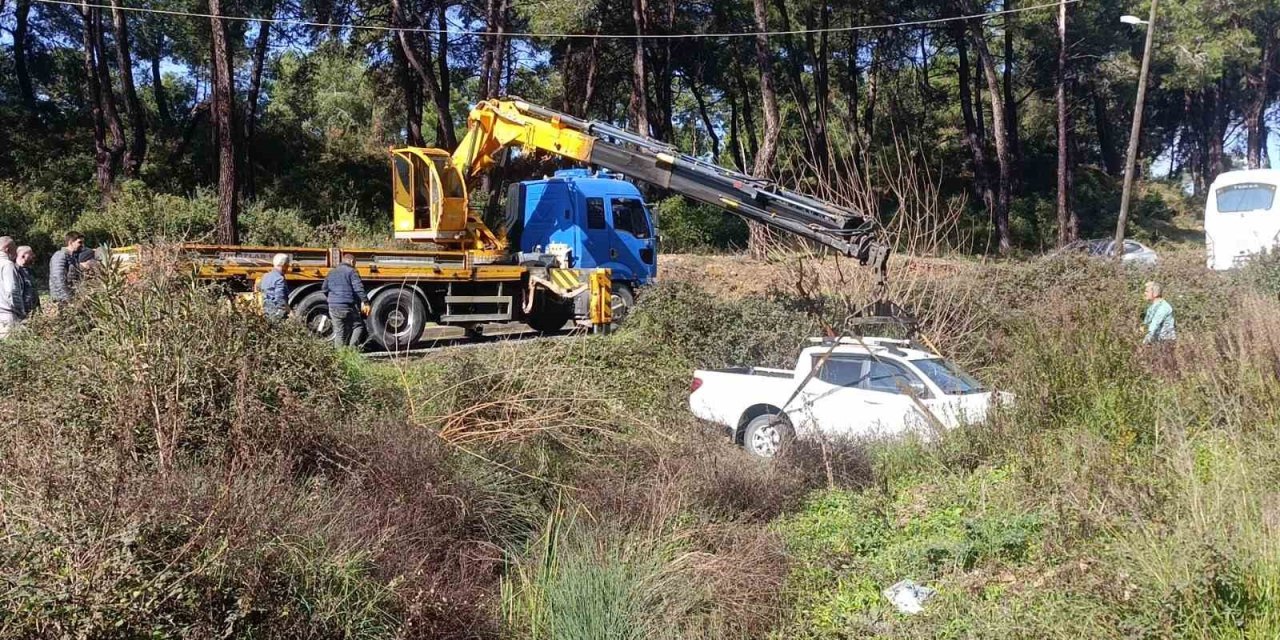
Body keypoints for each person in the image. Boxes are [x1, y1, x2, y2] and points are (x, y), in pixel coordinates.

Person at [322, 253, 367, 347]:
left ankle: (340, 356)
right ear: (351, 261)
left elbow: (324, 289)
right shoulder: (352, 271)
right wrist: (365, 301)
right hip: (347, 305)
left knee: (339, 331)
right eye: (355, 263)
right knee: (358, 326)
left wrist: (333, 298)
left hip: (333, 306)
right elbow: (358, 288)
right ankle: (352, 350)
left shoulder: (331, 272)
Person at [49, 231, 84, 306]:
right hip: (62, 301)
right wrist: (67, 299)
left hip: (71, 298)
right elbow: (58, 278)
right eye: (80, 242)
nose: (82, 245)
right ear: (70, 242)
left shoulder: (73, 257)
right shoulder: (60, 255)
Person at [0, 237, 24, 339]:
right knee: (11, 347)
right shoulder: (8, 265)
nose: (16, 253)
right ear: (7, 249)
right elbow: (12, 291)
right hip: (8, 314)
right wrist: (21, 311)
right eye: (14, 249)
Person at [257, 253, 291, 320]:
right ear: (284, 265)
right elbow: (280, 299)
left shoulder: (265, 276)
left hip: (265, 310)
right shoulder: (279, 279)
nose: (288, 267)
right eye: (287, 265)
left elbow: (259, 289)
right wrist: (290, 312)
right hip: (276, 312)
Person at [15, 246, 38, 318]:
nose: (33, 256)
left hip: (33, 311)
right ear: (23, 255)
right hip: (21, 312)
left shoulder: (30, 271)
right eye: (31, 254)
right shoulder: (14, 271)